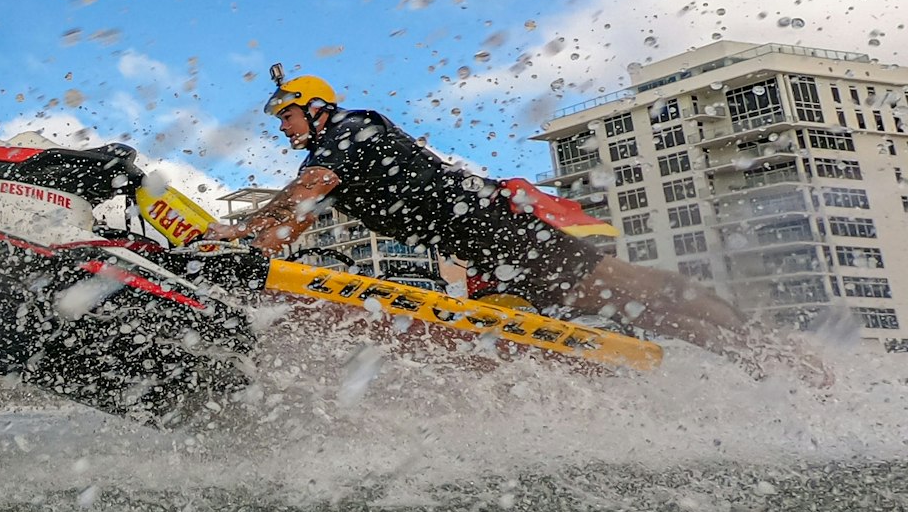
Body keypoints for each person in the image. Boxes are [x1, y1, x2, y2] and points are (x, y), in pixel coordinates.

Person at [203, 67, 821, 378]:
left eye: (285, 115)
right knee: (626, 304)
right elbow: (294, 216)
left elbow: (299, 202)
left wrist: (244, 246)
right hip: (484, 246)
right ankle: (755, 356)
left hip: (500, 228)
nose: (281, 128)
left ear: (313, 108)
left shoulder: (351, 127)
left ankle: (766, 349)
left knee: (631, 292)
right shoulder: (329, 162)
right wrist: (249, 242)